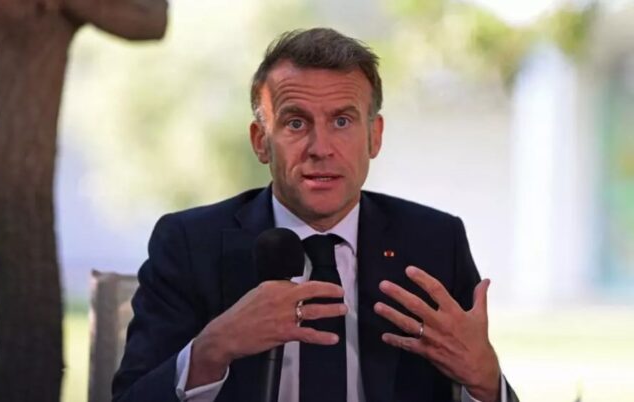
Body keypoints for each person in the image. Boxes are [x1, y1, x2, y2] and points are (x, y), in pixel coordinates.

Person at [112, 28, 519, 402]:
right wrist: (212, 348)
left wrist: (486, 381)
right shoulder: (187, 244)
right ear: (261, 142)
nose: (320, 148)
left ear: (374, 136)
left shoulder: (434, 242)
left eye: (342, 121)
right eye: (295, 123)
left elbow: (477, 381)